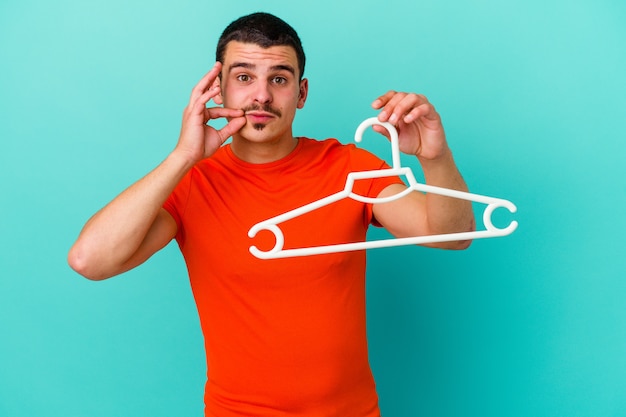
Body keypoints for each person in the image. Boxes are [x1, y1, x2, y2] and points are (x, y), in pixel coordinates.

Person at [68, 12, 475, 417]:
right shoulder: (193, 183)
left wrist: (434, 157)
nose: (261, 96)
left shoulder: (349, 167)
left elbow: (451, 235)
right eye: (244, 77)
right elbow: (90, 260)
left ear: (301, 93)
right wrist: (183, 157)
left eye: (279, 79)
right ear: (218, 90)